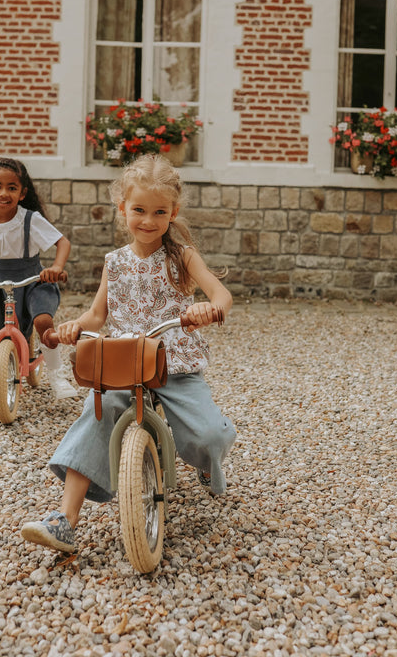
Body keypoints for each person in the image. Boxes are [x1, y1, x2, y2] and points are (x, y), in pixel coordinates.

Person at [21, 153, 236, 553]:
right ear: (123, 209)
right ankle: (65, 520)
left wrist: (210, 308)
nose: (148, 221)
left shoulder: (181, 255)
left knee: (206, 434)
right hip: (123, 358)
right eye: (139, 210)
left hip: (172, 357)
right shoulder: (115, 262)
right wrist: (74, 326)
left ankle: (212, 455)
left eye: (159, 212)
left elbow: (220, 292)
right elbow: (98, 314)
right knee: (96, 414)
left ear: (173, 212)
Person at [0, 156, 76, 400]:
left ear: (22, 193)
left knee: (43, 321)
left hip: (34, 279)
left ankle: (56, 374)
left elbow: (62, 242)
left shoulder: (29, 219)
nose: (3, 193)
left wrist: (56, 266)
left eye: (12, 188)